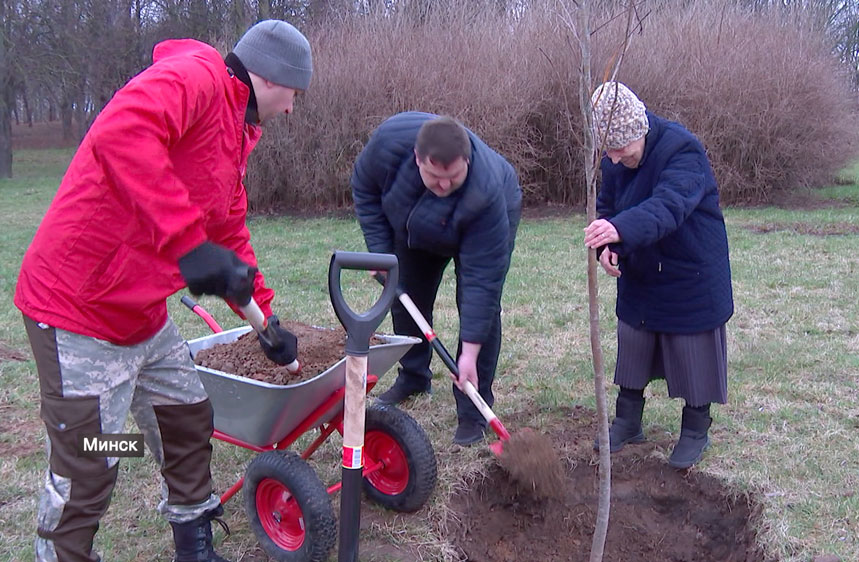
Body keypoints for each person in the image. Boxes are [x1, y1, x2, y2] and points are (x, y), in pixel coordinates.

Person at [14, 19, 311, 562]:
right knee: (92, 460)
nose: (292, 108)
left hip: (143, 314)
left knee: (187, 422)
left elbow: (228, 234)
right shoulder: (193, 77)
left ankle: (194, 546)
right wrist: (184, 241)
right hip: (78, 307)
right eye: (295, 94)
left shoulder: (236, 131)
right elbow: (121, 133)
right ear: (272, 78)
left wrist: (266, 322)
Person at [584, 82, 734, 469]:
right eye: (608, 151)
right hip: (643, 267)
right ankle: (627, 421)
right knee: (634, 341)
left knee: (692, 351)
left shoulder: (683, 150)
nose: (615, 160)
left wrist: (619, 229)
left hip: (691, 268)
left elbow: (669, 205)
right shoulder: (614, 158)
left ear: (640, 130)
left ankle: (695, 430)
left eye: (620, 150)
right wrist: (609, 246)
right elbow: (608, 206)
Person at [351, 112, 522, 446]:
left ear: (467, 162)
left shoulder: (486, 191)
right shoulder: (387, 146)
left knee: (481, 313)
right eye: (435, 177)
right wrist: (381, 252)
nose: (444, 186)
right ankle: (413, 377)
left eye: (454, 178)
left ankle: (474, 408)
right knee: (407, 297)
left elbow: (481, 283)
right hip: (415, 228)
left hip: (481, 222)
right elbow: (365, 189)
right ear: (418, 159)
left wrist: (469, 354)